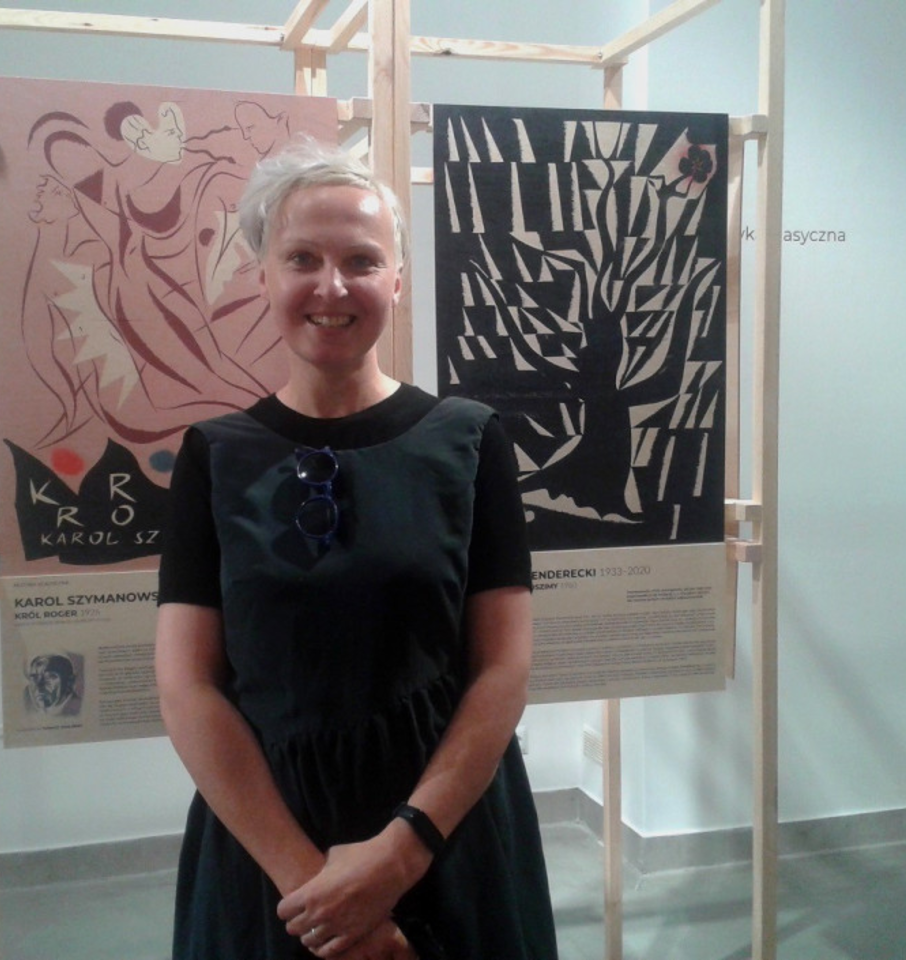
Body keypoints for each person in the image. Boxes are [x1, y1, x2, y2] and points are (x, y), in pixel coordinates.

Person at [155, 141, 558, 960]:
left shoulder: (469, 440)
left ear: (398, 280)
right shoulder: (214, 455)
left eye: (362, 260)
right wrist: (319, 894)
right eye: (302, 258)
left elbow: (502, 669)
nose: (331, 287)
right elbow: (187, 686)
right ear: (263, 276)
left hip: (447, 832)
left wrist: (399, 855)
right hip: (269, 845)